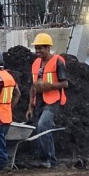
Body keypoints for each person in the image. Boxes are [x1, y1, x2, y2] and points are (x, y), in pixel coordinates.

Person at [26, 33, 68, 169]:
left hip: (53, 100)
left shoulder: (58, 61)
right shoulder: (36, 63)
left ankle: (52, 160)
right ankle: (44, 159)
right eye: (36, 48)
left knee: (44, 125)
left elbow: (65, 84)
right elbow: (33, 86)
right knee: (40, 128)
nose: (37, 51)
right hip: (39, 101)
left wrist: (49, 86)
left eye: (40, 48)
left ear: (48, 48)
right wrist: (30, 107)